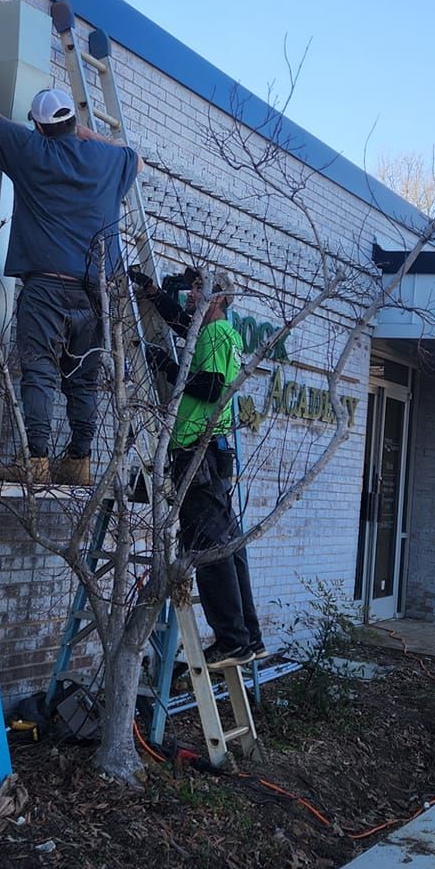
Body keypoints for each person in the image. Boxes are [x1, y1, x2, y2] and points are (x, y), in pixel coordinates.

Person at [0, 85, 141, 485]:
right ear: (71, 123)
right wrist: (87, 133)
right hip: (93, 292)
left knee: (40, 371)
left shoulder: (34, 152)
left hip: (46, 287)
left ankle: (37, 461)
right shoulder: (107, 161)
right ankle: (79, 462)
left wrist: (34, 134)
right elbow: (134, 158)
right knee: (83, 379)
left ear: (39, 126)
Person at [168, 279, 264, 661]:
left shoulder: (215, 333)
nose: (189, 296)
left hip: (196, 451)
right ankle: (248, 637)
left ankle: (231, 639)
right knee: (227, 546)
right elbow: (180, 324)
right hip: (212, 452)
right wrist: (156, 295)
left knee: (208, 549)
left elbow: (210, 388)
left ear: (219, 298)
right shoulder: (222, 333)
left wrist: (166, 367)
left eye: (197, 290)